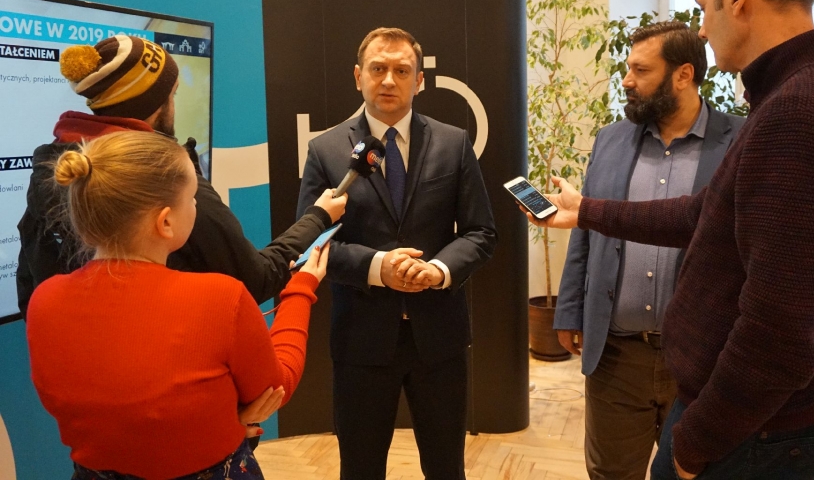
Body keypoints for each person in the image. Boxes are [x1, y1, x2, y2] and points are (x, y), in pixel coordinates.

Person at [524, 0, 814, 480]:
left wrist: (694, 445)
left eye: (703, 7)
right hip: (768, 419)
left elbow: (778, 335)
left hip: (751, 432)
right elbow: (706, 213)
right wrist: (588, 211)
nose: (703, 27)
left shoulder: (797, 114)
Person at [26, 131, 335, 479]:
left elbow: (107, 409)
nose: (197, 206)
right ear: (165, 222)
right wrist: (301, 287)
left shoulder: (45, 301)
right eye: (192, 198)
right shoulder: (219, 298)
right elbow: (276, 387)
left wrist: (210, 418)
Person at [17, 35, 345, 319]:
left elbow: (30, 288)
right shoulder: (166, 177)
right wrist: (318, 218)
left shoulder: (54, 172)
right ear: (153, 104)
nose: (174, 104)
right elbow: (256, 280)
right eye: (172, 94)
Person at [296, 27, 497, 479]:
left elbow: (481, 232)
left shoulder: (453, 143)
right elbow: (312, 244)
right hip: (361, 342)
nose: (389, 80)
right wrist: (377, 267)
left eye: (402, 71)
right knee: (361, 469)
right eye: (378, 69)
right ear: (358, 76)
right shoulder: (326, 150)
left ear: (419, 80)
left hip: (439, 339)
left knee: (447, 469)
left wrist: (439, 269)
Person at [554, 21, 745, 480]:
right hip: (617, 356)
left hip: (701, 359)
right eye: (628, 68)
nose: (626, 81)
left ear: (683, 75)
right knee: (610, 473)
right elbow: (585, 229)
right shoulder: (610, 139)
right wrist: (569, 309)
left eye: (640, 70)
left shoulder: (741, 140)